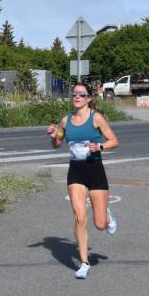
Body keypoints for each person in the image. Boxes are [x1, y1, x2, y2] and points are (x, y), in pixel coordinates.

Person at [45, 82, 119, 279]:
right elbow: (56, 144)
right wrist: (53, 135)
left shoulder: (96, 118)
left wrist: (101, 147)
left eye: (81, 94)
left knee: (100, 224)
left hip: (95, 171)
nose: (77, 97)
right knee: (79, 217)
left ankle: (108, 216)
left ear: (88, 98)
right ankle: (84, 262)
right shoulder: (65, 121)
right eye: (74, 94)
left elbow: (114, 140)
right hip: (75, 172)